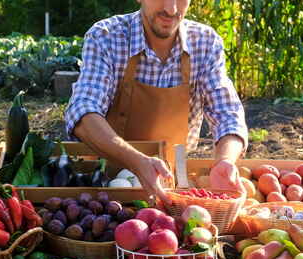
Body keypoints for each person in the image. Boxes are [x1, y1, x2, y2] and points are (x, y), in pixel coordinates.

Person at [64, 0, 248, 205]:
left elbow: (228, 113)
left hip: (173, 180)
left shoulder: (205, 42)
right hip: (108, 185)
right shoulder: (107, 36)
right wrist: (136, 161)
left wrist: (225, 161)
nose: (171, 9)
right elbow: (82, 110)